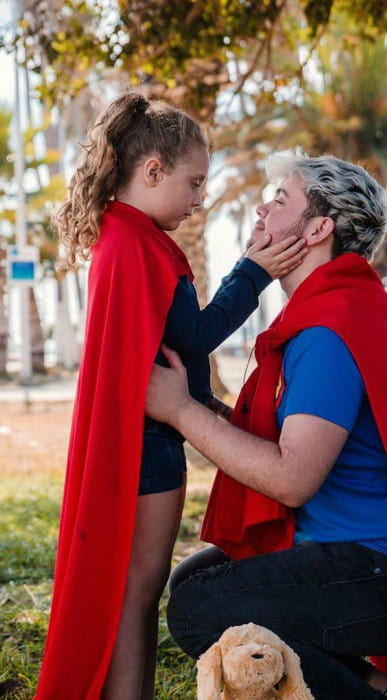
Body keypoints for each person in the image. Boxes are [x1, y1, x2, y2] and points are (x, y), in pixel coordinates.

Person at [145, 152, 387, 700]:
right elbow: (291, 441)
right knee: (195, 582)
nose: (261, 208)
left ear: (319, 228)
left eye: (280, 200)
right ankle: (386, 689)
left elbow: (292, 477)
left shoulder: (329, 330)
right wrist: (202, 408)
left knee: (201, 608)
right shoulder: (340, 306)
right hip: (372, 560)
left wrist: (180, 411)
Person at [34, 95, 306, 700]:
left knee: (125, 588)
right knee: (138, 593)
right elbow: (198, 335)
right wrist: (253, 271)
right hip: (150, 451)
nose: (199, 199)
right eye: (193, 182)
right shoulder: (143, 246)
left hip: (133, 439)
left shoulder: (119, 237)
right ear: (152, 170)